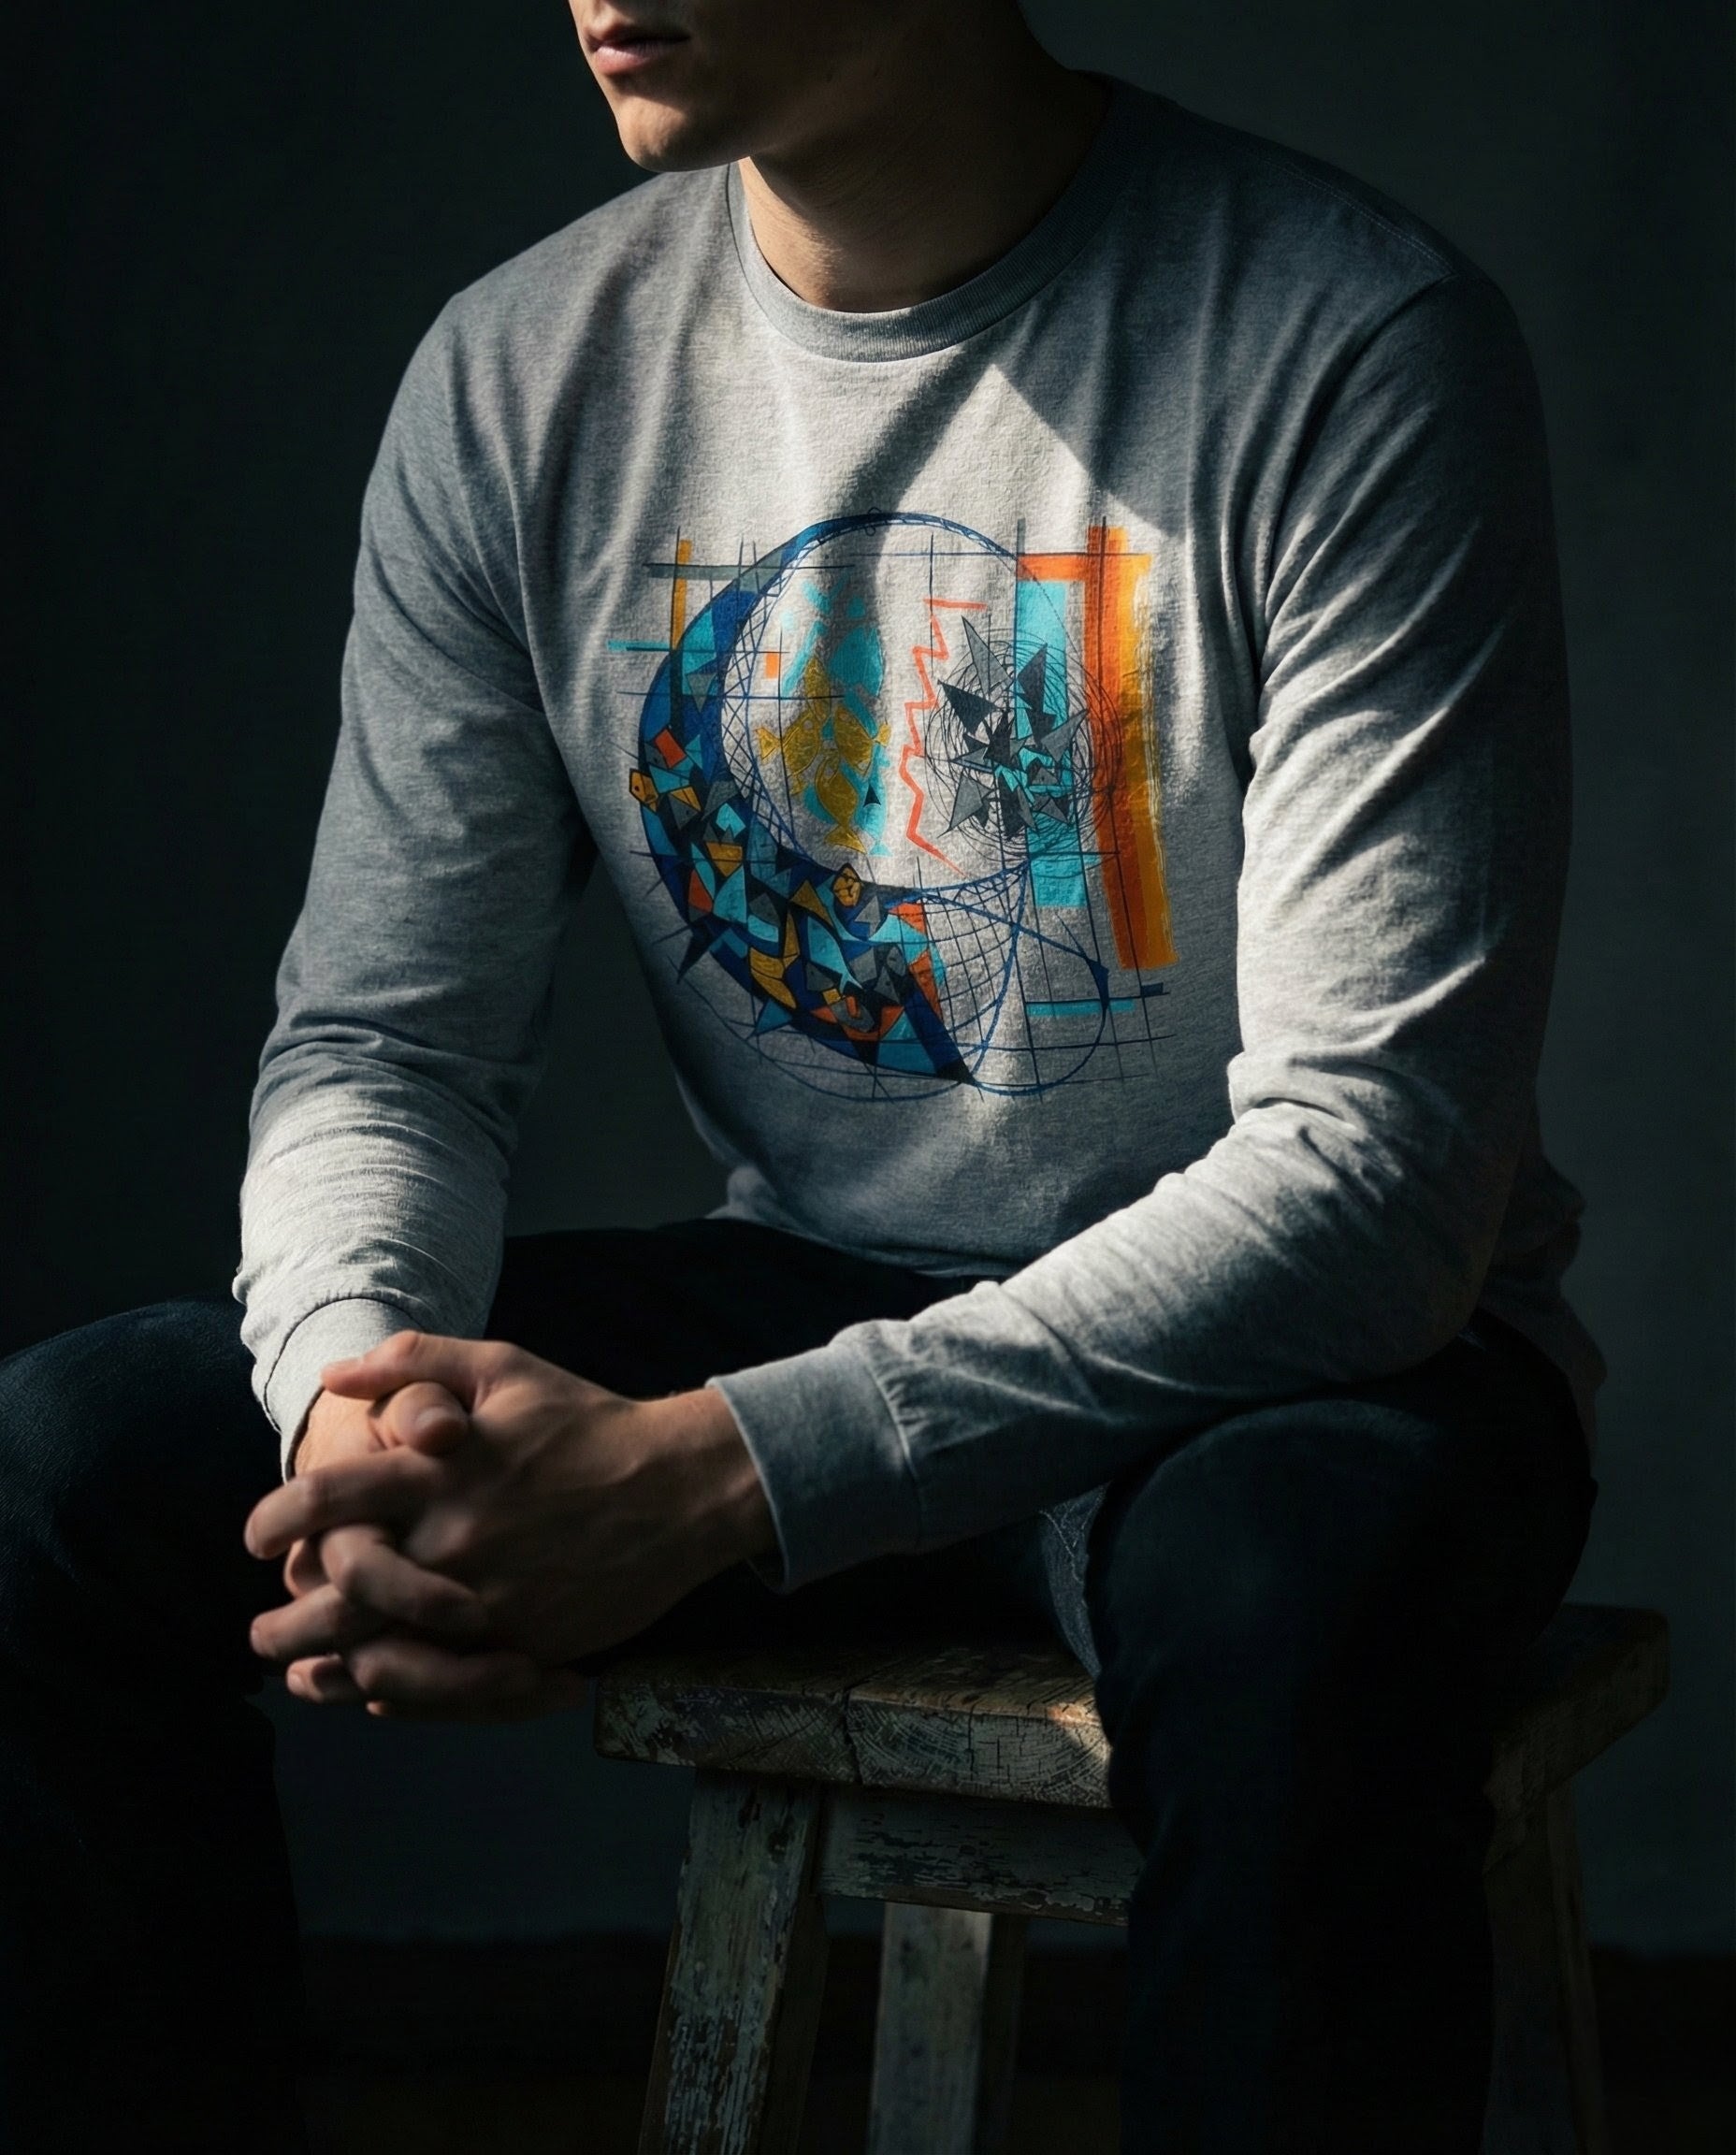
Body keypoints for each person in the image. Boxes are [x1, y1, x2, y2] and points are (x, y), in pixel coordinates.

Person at [0, 3, 1605, 2148]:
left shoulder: (1339, 336)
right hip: (824, 1292)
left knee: (1282, 1582)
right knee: (79, 1447)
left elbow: (1372, 1180)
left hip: (1299, 1362)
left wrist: (706, 1475)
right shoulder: (521, 374)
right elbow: (384, 1042)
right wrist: (364, 1417)